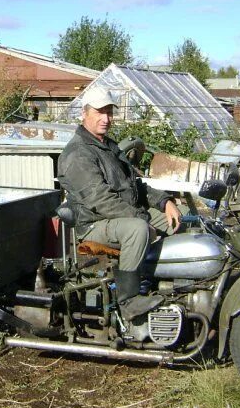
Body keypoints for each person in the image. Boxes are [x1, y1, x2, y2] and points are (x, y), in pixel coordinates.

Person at [58, 86, 182, 320]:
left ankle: (172, 281)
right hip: (95, 223)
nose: (106, 119)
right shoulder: (78, 154)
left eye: (109, 112)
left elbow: (136, 186)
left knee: (178, 219)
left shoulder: (108, 147)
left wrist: (165, 202)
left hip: (123, 214)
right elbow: (101, 200)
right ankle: (129, 300)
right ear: (84, 113)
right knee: (138, 229)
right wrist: (141, 217)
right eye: (99, 112)